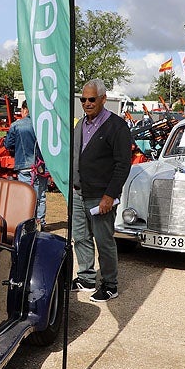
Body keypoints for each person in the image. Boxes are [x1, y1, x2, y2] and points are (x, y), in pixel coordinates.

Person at [71, 79, 133, 303]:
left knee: (103, 240)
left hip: (101, 196)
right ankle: (86, 278)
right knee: (81, 237)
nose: (87, 103)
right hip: (79, 192)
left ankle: (110, 284)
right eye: (83, 99)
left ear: (103, 99)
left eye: (91, 99)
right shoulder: (81, 124)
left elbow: (123, 164)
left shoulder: (116, 126)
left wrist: (110, 195)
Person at [3, 100, 48, 226]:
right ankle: (41, 222)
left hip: (24, 165)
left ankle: (27, 223)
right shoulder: (43, 124)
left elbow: (8, 144)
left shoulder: (17, 125)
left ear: (24, 109)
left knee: (26, 196)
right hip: (41, 166)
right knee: (41, 196)